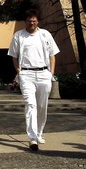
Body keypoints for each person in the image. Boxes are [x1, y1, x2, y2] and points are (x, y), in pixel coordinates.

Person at [7, 9, 59, 151]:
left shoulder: (45, 35)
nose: (32, 23)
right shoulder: (19, 36)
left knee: (42, 106)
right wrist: (19, 71)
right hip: (27, 75)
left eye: (34, 21)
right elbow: (14, 56)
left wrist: (51, 73)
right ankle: (32, 138)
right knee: (31, 105)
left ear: (38, 21)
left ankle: (39, 132)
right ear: (26, 21)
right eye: (30, 21)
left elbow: (52, 55)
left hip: (44, 74)